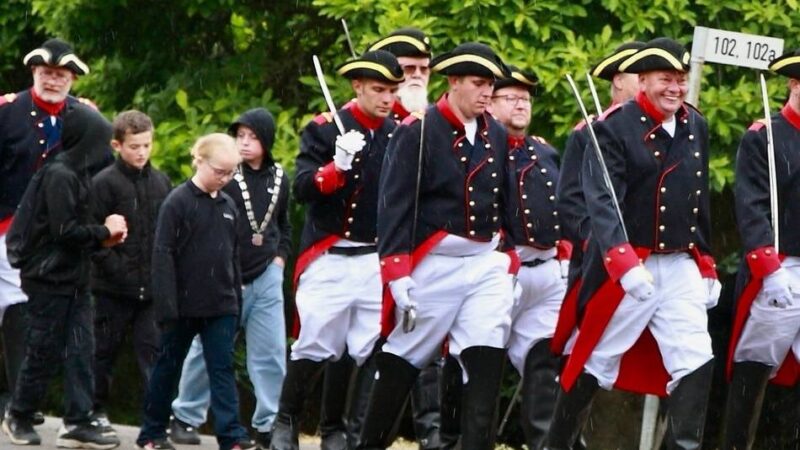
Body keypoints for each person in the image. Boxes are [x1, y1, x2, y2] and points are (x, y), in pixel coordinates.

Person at [542, 37, 720, 450]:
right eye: (664, 79)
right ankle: (557, 444)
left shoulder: (696, 124)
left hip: (679, 262)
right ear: (642, 80)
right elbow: (601, 201)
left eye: (680, 79)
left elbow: (696, 197)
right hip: (630, 261)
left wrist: (706, 261)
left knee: (696, 358)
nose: (675, 88)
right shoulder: (612, 127)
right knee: (595, 359)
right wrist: (622, 263)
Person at [357, 42, 517, 450]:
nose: (487, 92)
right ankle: (370, 443)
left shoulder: (496, 133)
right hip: (435, 262)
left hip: (485, 261)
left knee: (485, 357)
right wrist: (397, 274)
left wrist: (510, 256)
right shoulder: (418, 130)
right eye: (478, 83)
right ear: (454, 82)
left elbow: (506, 199)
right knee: (404, 356)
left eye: (491, 85)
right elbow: (394, 205)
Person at [269, 50, 403, 450]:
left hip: (374, 256)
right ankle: (286, 421)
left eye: (392, 91)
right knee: (314, 340)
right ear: (357, 86)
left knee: (367, 345)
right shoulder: (325, 129)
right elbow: (303, 189)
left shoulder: (398, 133)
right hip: (331, 253)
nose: (387, 99)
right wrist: (336, 167)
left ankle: (342, 430)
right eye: (378, 90)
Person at [317, 27, 441, 450]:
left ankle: (429, 433)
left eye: (423, 69)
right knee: (352, 345)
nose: (417, 78)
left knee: (419, 343)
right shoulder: (352, 124)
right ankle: (339, 430)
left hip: (421, 248)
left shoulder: (435, 124)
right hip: (366, 247)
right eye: (408, 69)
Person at [2, 103, 126, 449]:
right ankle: (19, 414)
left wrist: (103, 238)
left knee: (81, 349)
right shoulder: (59, 175)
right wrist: (103, 232)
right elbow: (63, 231)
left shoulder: (79, 173)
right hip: (48, 277)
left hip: (74, 276)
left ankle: (78, 419)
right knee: (42, 349)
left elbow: (76, 232)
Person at [169, 108, 291, 449]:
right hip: (225, 275)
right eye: (240, 136)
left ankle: (268, 424)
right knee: (207, 348)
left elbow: (283, 225)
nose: (245, 143)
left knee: (270, 353)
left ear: (267, 141)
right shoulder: (225, 178)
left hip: (266, 275)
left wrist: (280, 259)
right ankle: (185, 416)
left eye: (253, 137)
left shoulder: (280, 178)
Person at [135, 133, 255, 450]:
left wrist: (235, 301)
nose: (225, 178)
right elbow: (162, 254)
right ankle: (152, 433)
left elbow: (233, 256)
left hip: (221, 305)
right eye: (219, 171)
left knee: (222, 369)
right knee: (167, 367)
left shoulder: (229, 205)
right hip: (182, 306)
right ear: (199, 161)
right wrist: (166, 306)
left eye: (231, 173)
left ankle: (231, 436)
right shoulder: (177, 202)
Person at [0, 38, 98, 422]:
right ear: (34, 72)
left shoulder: (84, 116)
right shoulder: (8, 112)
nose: (53, 81)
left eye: (60, 75)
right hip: (7, 227)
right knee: (16, 308)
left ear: (72, 79)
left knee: (34, 315)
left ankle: (23, 401)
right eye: (46, 73)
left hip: (58, 233)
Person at [488, 65, 570, 450]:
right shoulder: (481, 152)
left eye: (525, 98)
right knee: (481, 362)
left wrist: (566, 253)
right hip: (499, 268)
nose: (521, 104)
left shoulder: (545, 151)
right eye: (511, 97)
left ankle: (545, 444)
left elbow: (564, 209)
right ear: (490, 103)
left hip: (547, 270)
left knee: (544, 360)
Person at [722, 49, 800, 450]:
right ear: (794, 84)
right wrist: (769, 268)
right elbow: (751, 206)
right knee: (754, 367)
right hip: (781, 268)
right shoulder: (764, 136)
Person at [552, 41, 644, 358]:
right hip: (602, 258)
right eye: (639, 76)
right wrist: (599, 242)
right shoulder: (591, 131)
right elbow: (571, 201)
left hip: (647, 254)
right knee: (590, 347)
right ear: (618, 80)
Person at [90, 110, 172, 435]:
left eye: (146, 145)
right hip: (111, 288)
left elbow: (167, 237)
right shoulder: (103, 183)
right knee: (103, 353)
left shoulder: (161, 182)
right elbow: (93, 239)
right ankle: (94, 411)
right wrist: (117, 270)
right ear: (117, 145)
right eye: (134, 146)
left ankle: (155, 420)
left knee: (154, 355)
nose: (141, 153)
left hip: (150, 290)